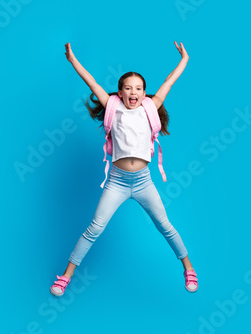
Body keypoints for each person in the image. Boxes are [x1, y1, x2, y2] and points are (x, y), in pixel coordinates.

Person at [50, 42, 198, 295]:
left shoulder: (151, 108)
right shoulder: (112, 107)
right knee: (94, 228)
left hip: (143, 182)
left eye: (139, 88)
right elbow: (91, 82)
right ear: (119, 92)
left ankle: (189, 269)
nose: (134, 92)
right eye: (128, 88)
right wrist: (73, 60)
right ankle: (66, 276)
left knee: (164, 225)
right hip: (117, 183)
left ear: (144, 93)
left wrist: (184, 59)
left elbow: (169, 82)